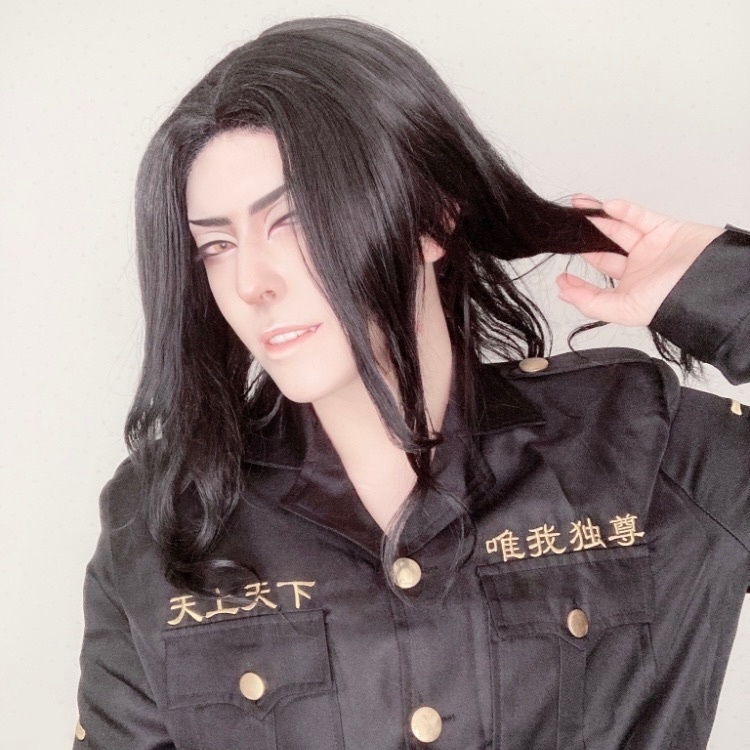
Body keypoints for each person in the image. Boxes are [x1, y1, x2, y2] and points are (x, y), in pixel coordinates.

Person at [73, 16, 749, 750]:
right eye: (215, 245)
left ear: (430, 216)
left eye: (292, 220)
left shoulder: (642, 452)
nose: (250, 282)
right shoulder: (164, 521)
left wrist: (721, 290)